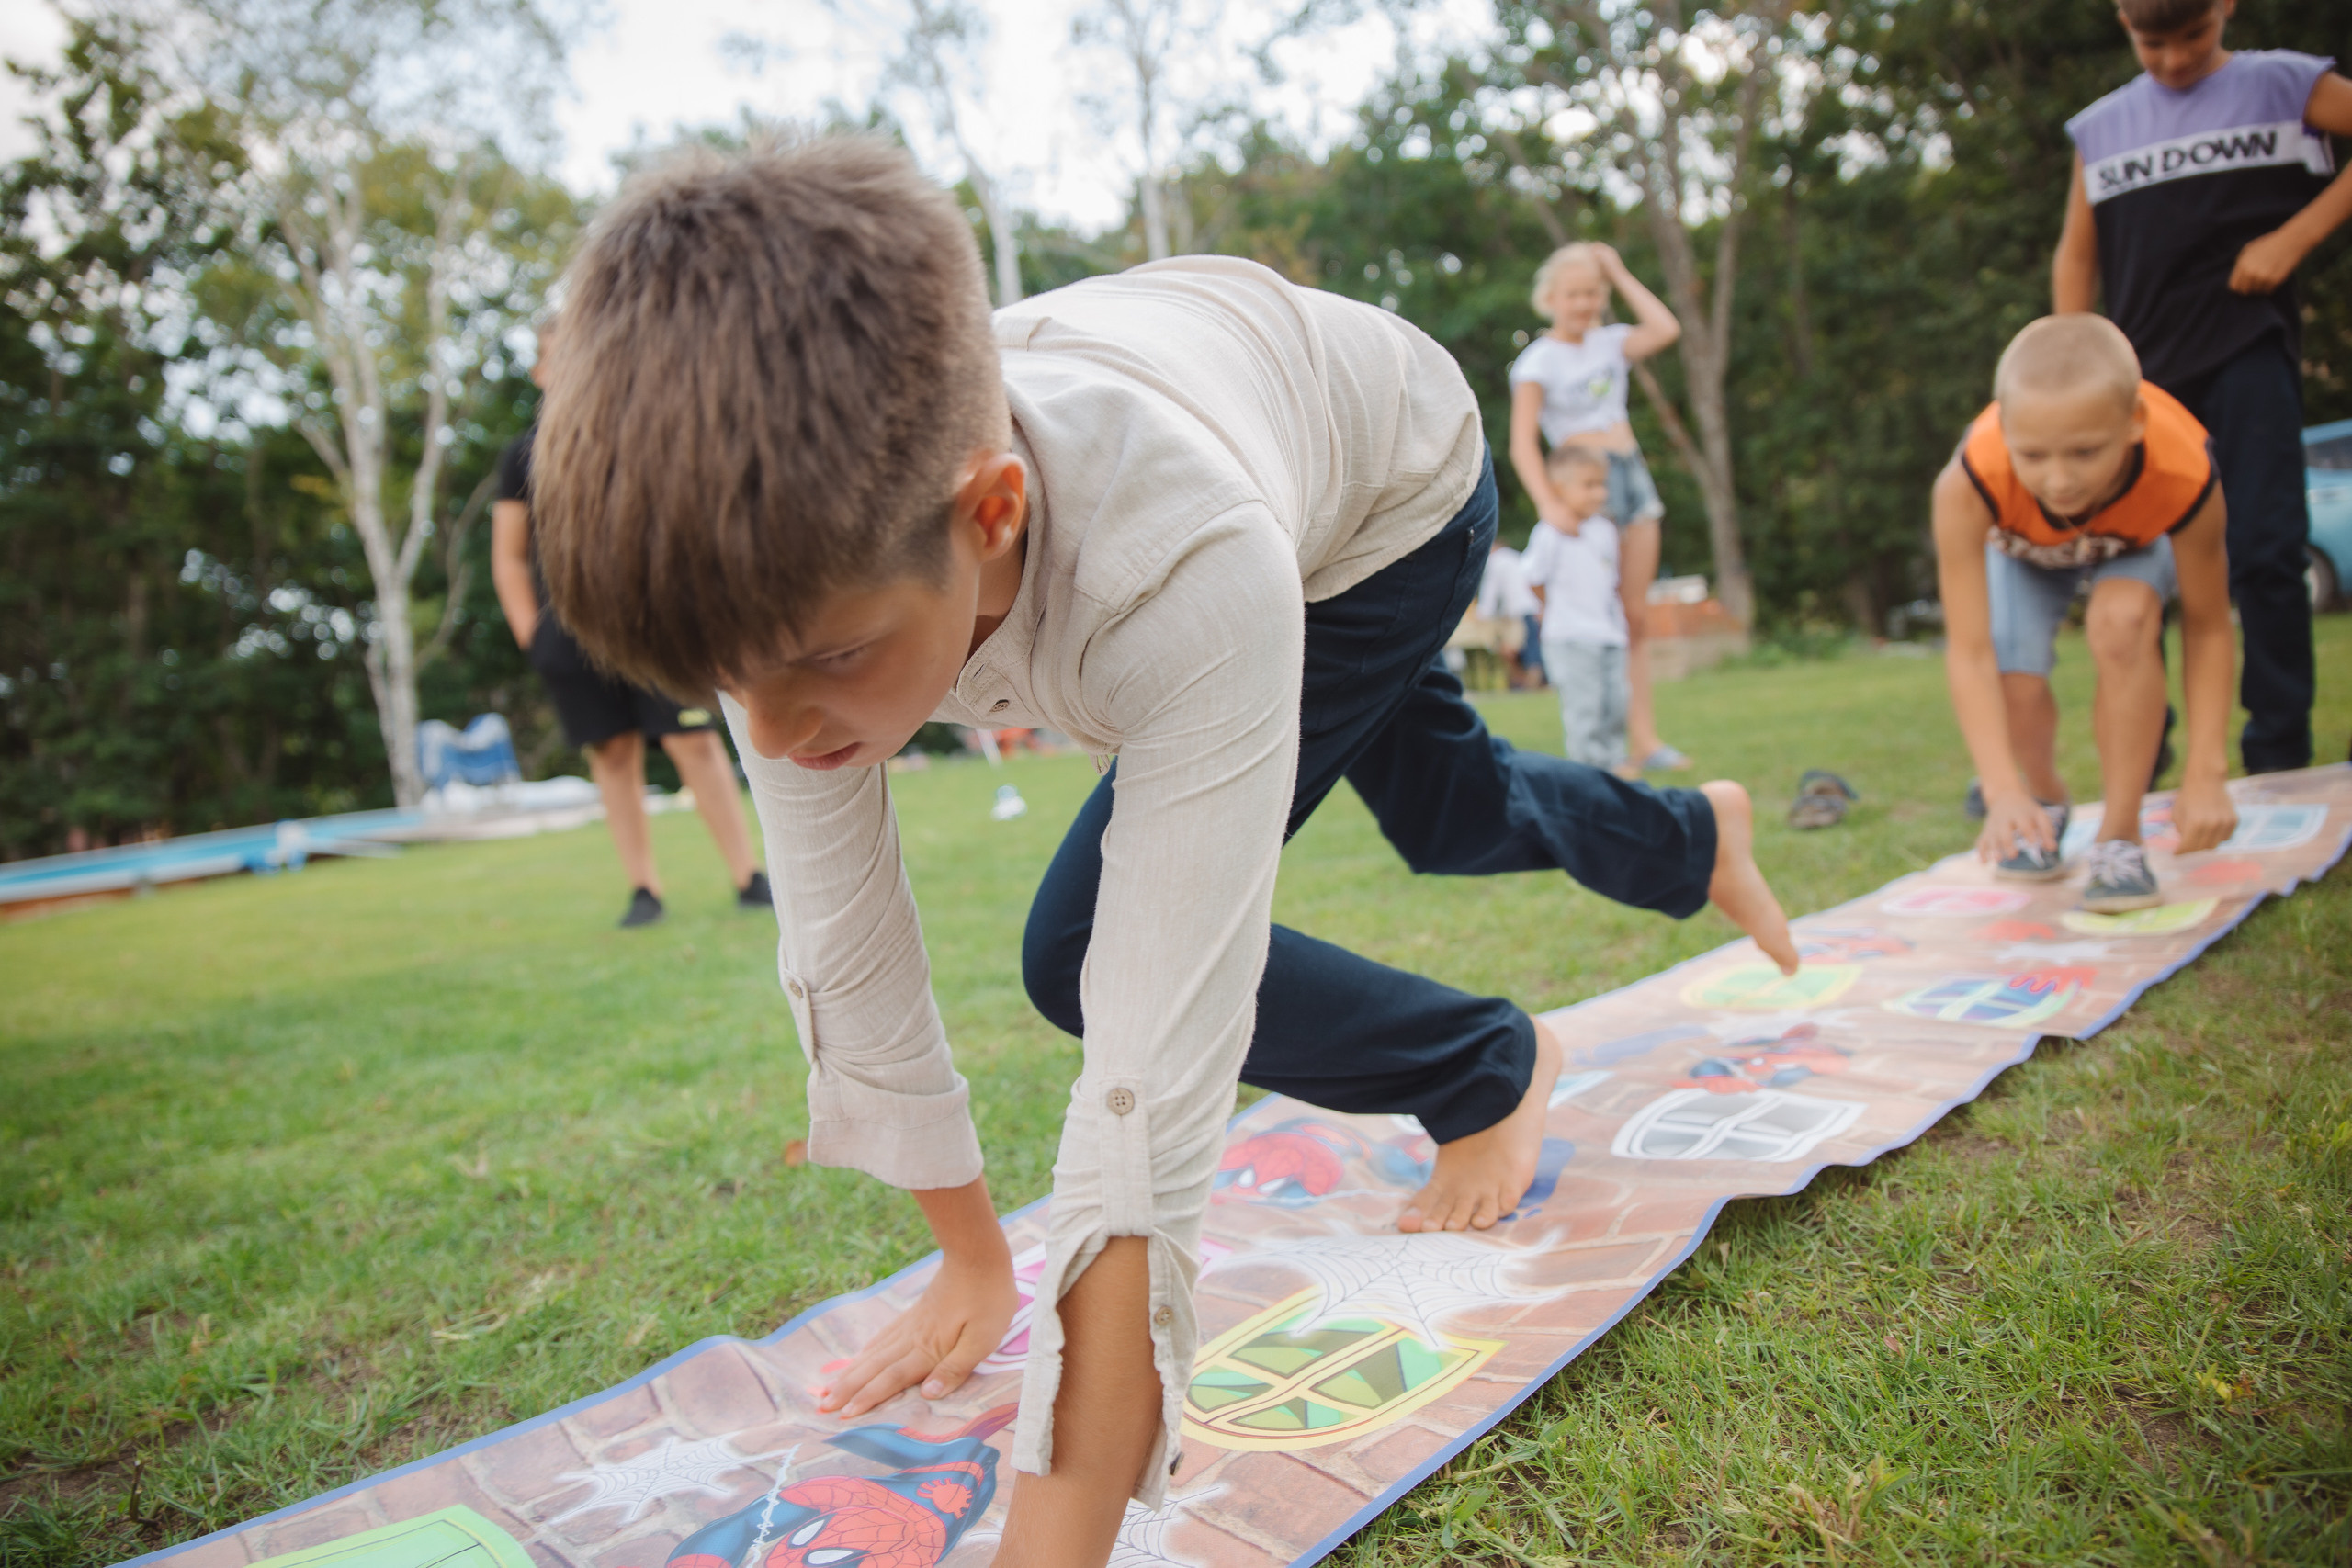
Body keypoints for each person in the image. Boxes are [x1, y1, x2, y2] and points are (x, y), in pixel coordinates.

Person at [527, 139, 1801, 1568]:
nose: (774, 727)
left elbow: (1151, 1082)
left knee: (1085, 953)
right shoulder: (789, 590)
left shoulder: (1181, 571)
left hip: (1385, 490)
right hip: (1261, 423)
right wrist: (969, 1253)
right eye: (724, 685)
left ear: (990, 512)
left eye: (826, 660)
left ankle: (1488, 1060)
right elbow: (844, 939)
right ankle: (1696, 833)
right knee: (1452, 809)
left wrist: (1053, 1543)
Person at [2052, 0, 2352, 775]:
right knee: (2134, 564)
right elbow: (2076, 258)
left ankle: (2280, 753)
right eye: (2153, 42)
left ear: (2225, 7)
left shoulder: (2285, 85)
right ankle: (2145, 754)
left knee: (2265, 549)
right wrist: (2072, 364)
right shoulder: (2101, 129)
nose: (2176, 59)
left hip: (2249, 353)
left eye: (2193, 36)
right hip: (2143, 383)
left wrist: (2297, 236)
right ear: (2123, 20)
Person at [1930, 315, 2238, 913]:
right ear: (2005, 430)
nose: (2059, 479)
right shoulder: (1970, 481)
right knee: (2014, 668)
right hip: (2022, 552)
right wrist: (2002, 789)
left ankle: (2120, 838)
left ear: (2134, 424)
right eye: (2034, 454)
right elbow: (1970, 651)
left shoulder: (2184, 468)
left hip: (2134, 543)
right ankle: (2043, 807)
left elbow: (2208, 626)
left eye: (2085, 451)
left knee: (2121, 623)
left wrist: (2207, 767)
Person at [490, 324, 770, 929]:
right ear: (540, 373)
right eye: (553, 356)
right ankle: (644, 888)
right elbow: (509, 555)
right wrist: (530, 633)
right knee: (613, 752)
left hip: (657, 614)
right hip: (568, 629)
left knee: (693, 740)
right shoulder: (521, 455)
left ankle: (749, 874)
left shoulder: (642, 434)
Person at [1506, 241, 1689, 773]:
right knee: (1601, 611)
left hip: (1629, 476)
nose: (1582, 304)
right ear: (1551, 298)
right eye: (1572, 294)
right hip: (1581, 492)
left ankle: (1646, 739)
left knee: (1634, 615)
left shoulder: (1611, 343)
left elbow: (1666, 329)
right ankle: (1604, 745)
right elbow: (1522, 443)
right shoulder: (1537, 361)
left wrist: (1618, 269)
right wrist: (1548, 503)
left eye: (1591, 293)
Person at [1521, 447, 1632, 773]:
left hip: (1609, 634)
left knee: (1615, 703)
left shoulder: (1605, 530)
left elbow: (1611, 581)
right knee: (1585, 706)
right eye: (1589, 485)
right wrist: (1549, 608)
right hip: (1570, 636)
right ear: (1559, 488)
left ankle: (1614, 760)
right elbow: (1533, 577)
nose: (1600, 493)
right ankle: (1590, 768)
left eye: (1602, 484)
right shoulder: (1550, 532)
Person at [1476, 534, 1545, 689]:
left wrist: (1483, 613)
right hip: (1533, 607)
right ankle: (1531, 682)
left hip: (1519, 610)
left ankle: (1530, 684)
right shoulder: (1515, 556)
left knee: (1524, 647)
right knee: (1532, 645)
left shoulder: (1496, 561)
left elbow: (1490, 591)